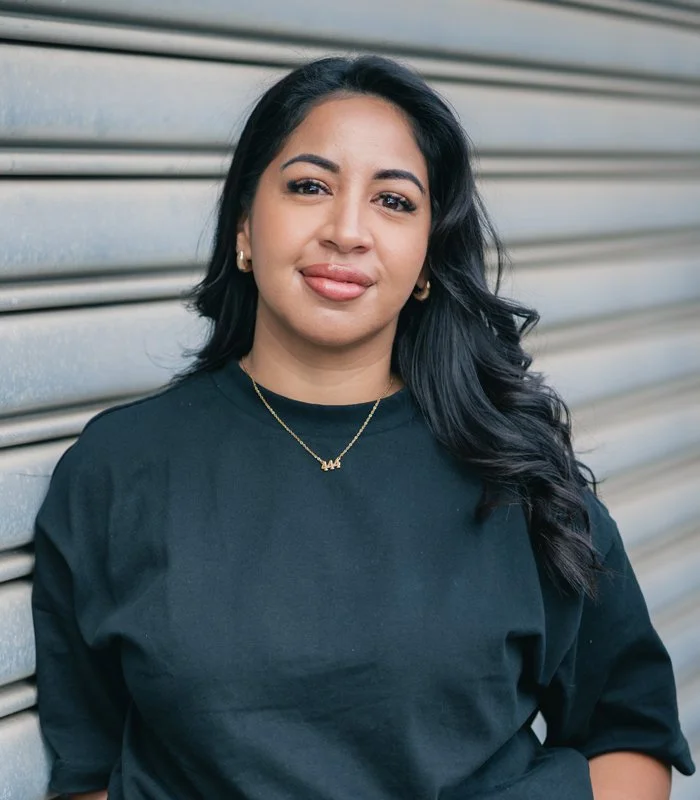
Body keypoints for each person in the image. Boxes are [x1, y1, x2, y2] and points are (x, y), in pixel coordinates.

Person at [32, 55, 694, 800]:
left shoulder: (517, 472)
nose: (348, 231)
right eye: (310, 186)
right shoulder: (120, 470)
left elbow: (630, 736)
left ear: (424, 264)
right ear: (245, 227)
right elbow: (84, 771)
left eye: (394, 201)